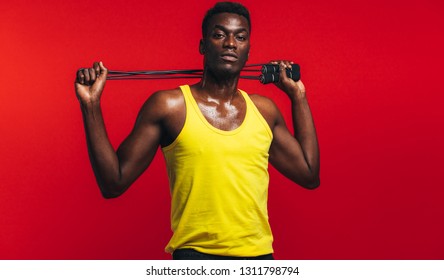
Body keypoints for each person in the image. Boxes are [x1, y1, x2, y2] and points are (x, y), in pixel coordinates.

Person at [75, 2, 319, 260]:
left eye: (240, 37)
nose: (230, 43)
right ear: (203, 46)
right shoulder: (169, 106)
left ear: (248, 51)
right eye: (219, 34)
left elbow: (309, 174)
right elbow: (113, 183)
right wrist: (91, 105)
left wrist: (298, 96)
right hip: (195, 259)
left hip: (258, 260)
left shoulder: (265, 111)